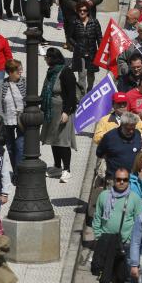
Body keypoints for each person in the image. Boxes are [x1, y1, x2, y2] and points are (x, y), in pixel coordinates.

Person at [39, 47, 78, 183]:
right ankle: (57, 166)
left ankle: (66, 169)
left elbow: (71, 94)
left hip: (62, 111)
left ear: (52, 58)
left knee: (63, 141)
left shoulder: (66, 72)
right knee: (53, 139)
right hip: (51, 112)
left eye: (47, 58)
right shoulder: (51, 71)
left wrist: (66, 112)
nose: (45, 60)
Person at [97, 112, 142, 181]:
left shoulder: (137, 134)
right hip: (114, 179)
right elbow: (99, 153)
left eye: (133, 128)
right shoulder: (109, 137)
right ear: (122, 125)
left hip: (133, 178)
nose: (131, 131)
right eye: (128, 129)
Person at [68, 0, 102, 92]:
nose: (82, 12)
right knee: (81, 75)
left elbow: (99, 37)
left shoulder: (94, 22)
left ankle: (90, 89)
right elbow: (70, 37)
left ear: (88, 11)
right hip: (80, 53)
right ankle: (82, 95)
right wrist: (77, 46)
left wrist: (100, 50)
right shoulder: (74, 22)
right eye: (80, 10)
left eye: (85, 10)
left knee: (91, 74)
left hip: (92, 52)